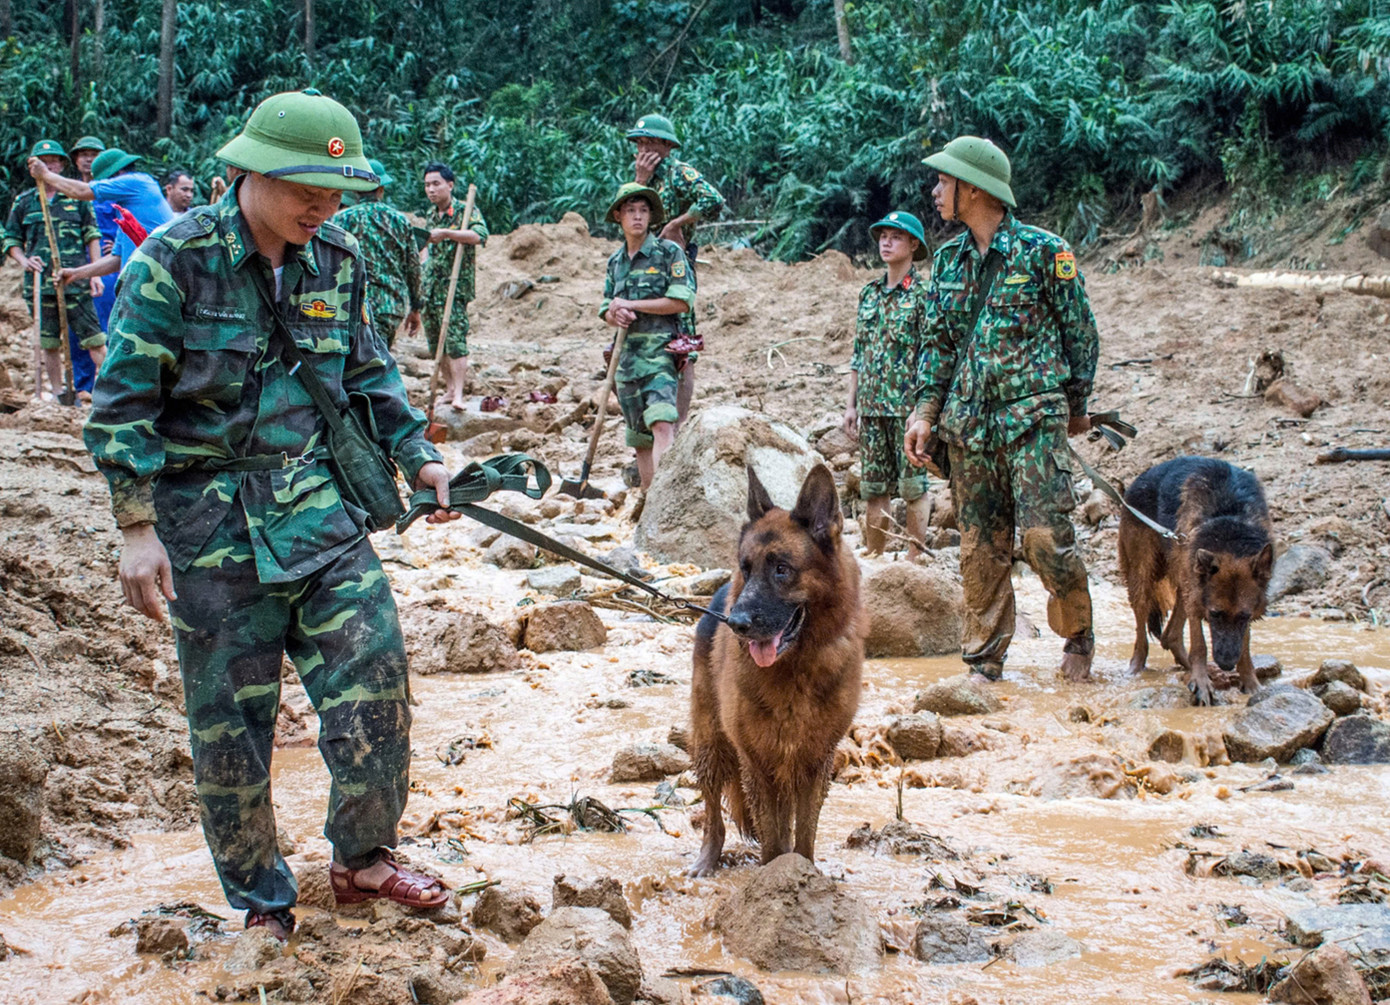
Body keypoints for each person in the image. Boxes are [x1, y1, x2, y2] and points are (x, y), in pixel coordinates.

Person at [83, 89, 461, 942]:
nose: (321, 205)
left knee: (376, 680)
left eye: (335, 191)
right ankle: (261, 899)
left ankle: (363, 857)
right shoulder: (173, 262)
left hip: (317, 512)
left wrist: (421, 456)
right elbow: (122, 406)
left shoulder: (341, 257)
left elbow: (370, 371)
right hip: (208, 529)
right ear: (246, 171)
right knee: (231, 730)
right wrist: (135, 528)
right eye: (305, 188)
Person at [905, 136, 1099, 683]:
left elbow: (1080, 333)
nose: (936, 189)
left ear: (973, 187)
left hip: (1033, 421)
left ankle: (1078, 635)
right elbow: (938, 348)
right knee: (980, 551)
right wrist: (924, 412)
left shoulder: (1045, 252)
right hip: (969, 428)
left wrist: (1078, 406)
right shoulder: (947, 262)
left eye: (944, 180)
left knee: (1044, 538)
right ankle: (983, 665)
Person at [31, 147, 174, 395]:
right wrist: (77, 273)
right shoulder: (127, 213)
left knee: (142, 348)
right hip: (140, 286)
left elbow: (82, 191)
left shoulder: (138, 182)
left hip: (160, 284)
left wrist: (46, 175)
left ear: (116, 174)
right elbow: (117, 259)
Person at [843, 210, 932, 559]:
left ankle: (915, 556)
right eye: (882, 235)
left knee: (913, 486)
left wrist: (922, 408)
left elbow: (932, 354)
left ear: (913, 245)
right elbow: (858, 353)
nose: (886, 241)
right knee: (874, 487)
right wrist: (850, 406)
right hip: (872, 405)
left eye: (895, 236)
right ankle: (875, 555)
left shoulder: (924, 294)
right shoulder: (869, 294)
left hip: (907, 407)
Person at [627, 113, 723, 427]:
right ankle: (649, 425)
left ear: (666, 146)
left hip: (675, 268)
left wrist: (677, 223)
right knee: (642, 340)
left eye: (650, 142)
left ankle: (677, 424)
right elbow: (625, 221)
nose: (643, 150)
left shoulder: (679, 174)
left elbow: (712, 199)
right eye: (639, 143)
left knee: (683, 346)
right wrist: (639, 182)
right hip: (641, 271)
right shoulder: (638, 181)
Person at [599, 182, 693, 491]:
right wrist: (616, 313)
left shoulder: (669, 253)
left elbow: (681, 301)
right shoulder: (615, 263)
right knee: (639, 437)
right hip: (626, 360)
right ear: (618, 217)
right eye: (630, 211)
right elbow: (606, 308)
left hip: (661, 355)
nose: (637, 217)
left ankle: (667, 497)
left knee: (663, 423)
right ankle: (652, 502)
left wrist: (632, 305)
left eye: (643, 211)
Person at [2, 139, 105, 397]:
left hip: (75, 279)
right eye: (43, 162)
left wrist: (94, 273)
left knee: (94, 338)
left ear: (61, 165)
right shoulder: (24, 202)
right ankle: (59, 394)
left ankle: (109, 393)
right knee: (49, 342)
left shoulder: (76, 197)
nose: (49, 165)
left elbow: (91, 235)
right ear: (32, 166)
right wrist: (24, 261)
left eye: (53, 162)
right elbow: (12, 239)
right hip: (41, 284)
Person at [331, 158, 422, 348]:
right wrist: (415, 307)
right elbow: (413, 267)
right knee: (379, 361)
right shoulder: (400, 221)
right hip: (391, 307)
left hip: (350, 306)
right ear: (381, 189)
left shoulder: (341, 220)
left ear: (355, 189)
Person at [420, 161, 487, 410]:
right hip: (432, 288)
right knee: (436, 339)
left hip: (455, 287)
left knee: (455, 340)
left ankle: (459, 393)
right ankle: (448, 389)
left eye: (436, 184)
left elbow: (480, 235)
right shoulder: (429, 215)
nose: (431, 190)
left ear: (450, 185)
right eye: (427, 185)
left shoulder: (465, 211)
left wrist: (448, 233)